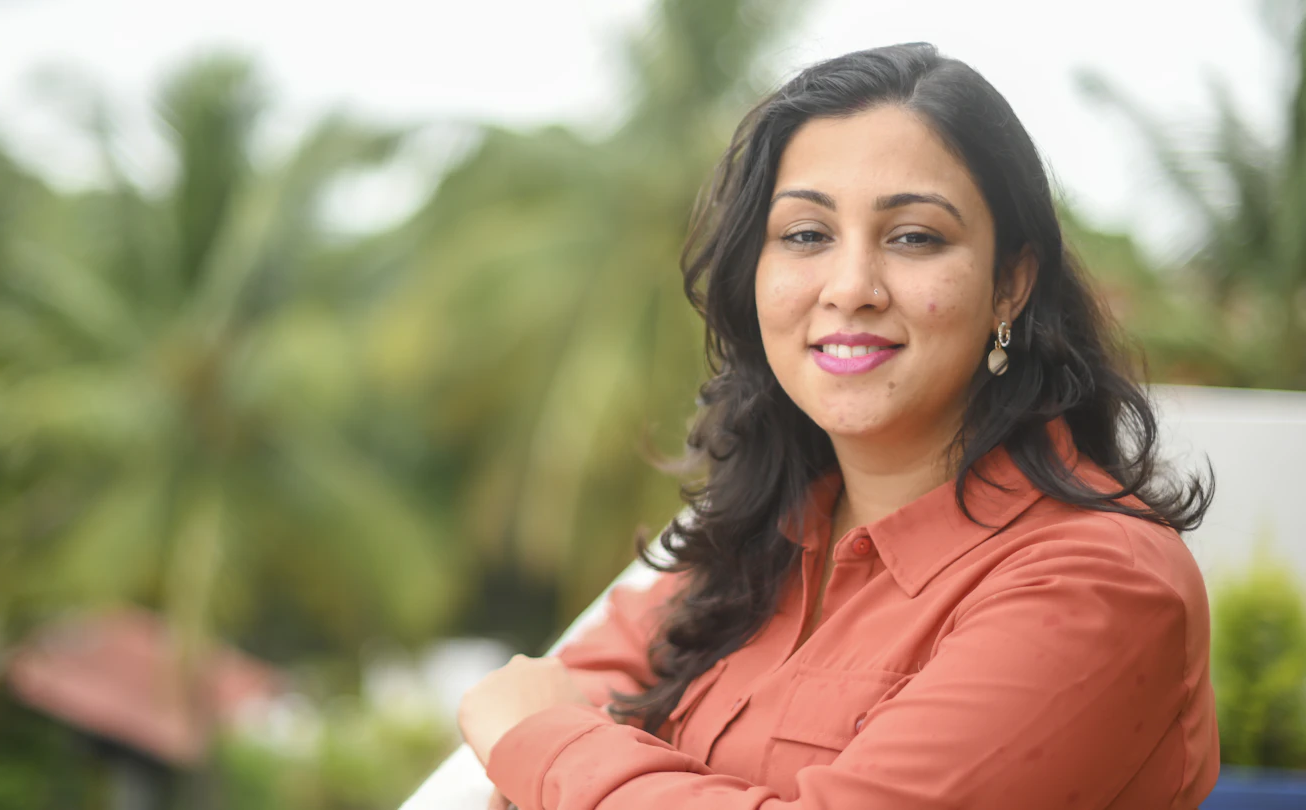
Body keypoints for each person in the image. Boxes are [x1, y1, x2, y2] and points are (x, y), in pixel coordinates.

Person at [456, 42, 1218, 810]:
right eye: (805, 235)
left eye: (914, 237)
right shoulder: (760, 536)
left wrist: (544, 746)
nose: (851, 287)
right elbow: (590, 683)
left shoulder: (1097, 583)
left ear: (1010, 284)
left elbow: (536, 722)